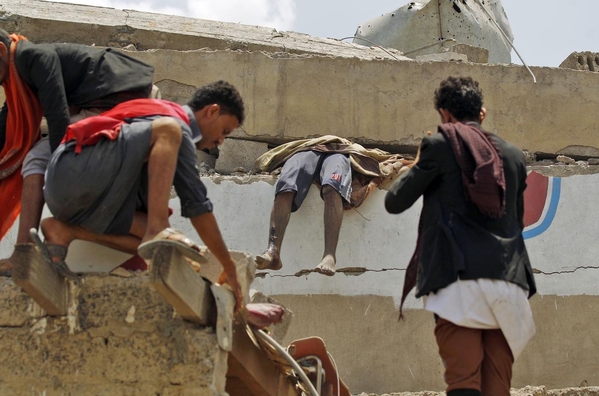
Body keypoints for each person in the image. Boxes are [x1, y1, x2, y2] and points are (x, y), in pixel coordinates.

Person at [384, 76, 536, 396]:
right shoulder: (514, 156)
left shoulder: (439, 145)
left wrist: (418, 161)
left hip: (458, 282)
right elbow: (516, 222)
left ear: (444, 114)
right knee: (497, 386)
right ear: (481, 114)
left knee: (464, 382)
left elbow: (395, 201)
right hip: (509, 281)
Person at [38, 80, 243, 307]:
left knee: (164, 248)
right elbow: (197, 204)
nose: (221, 141)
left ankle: (65, 231)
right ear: (212, 111)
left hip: (76, 196)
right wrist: (229, 266)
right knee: (170, 131)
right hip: (72, 170)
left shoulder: (174, 136)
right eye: (224, 131)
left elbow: (194, 200)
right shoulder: (174, 122)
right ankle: (158, 230)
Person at [0, 28, 156, 273]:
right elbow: (6, 122)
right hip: (114, 102)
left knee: (36, 160)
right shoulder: (20, 71)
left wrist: (63, 171)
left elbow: (58, 116)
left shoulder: (34, 57)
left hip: (117, 101)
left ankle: (24, 253)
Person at [254, 134, 405, 276]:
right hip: (305, 148)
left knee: (332, 187)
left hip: (340, 149)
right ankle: (273, 252)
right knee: (286, 186)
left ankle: (329, 255)